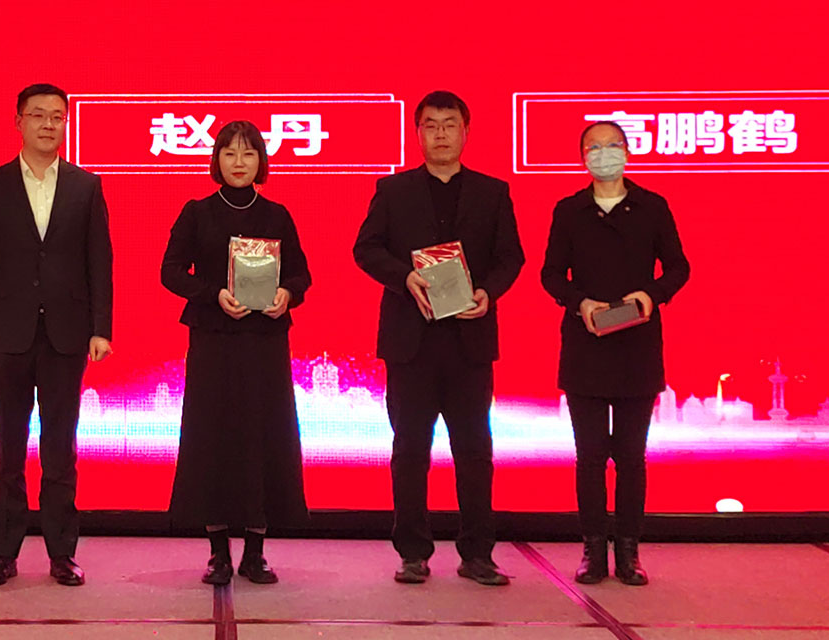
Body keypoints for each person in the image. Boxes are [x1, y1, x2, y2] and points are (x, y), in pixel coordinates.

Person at [353, 90, 524, 586]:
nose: (441, 134)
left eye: (450, 125)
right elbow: (365, 249)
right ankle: (413, 552)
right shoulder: (393, 190)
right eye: (431, 125)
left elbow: (510, 257)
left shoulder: (493, 192)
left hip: (469, 341)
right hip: (411, 342)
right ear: (418, 133)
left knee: (475, 451)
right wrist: (404, 276)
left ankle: (478, 554)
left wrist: (488, 292)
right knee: (409, 449)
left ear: (466, 132)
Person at [0, 83, 114, 587]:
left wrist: (101, 328)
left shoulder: (86, 186)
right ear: (19, 122)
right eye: (38, 115)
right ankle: (3, 554)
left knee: (59, 451)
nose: (49, 124)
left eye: (57, 116)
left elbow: (100, 262)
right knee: (8, 450)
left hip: (66, 336)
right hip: (8, 336)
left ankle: (62, 554)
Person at [162, 120, 311, 586]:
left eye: (248, 154)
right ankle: (218, 554)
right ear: (217, 160)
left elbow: (302, 275)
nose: (239, 162)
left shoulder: (277, 214)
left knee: (263, 438)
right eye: (230, 153)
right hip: (214, 341)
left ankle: (256, 554)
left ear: (261, 160)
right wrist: (213, 294)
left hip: (264, 344)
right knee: (213, 439)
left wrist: (287, 294)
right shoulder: (197, 212)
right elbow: (170, 271)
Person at [541, 120, 690, 586]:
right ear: (582, 156)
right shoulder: (570, 210)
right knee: (589, 457)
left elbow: (679, 267)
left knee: (630, 456)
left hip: (636, 346)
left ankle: (628, 551)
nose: (604, 153)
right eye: (594, 147)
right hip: (585, 344)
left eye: (612, 145)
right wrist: (579, 302)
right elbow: (550, 274)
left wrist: (651, 295)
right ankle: (592, 550)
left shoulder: (652, 206)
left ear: (627, 151)